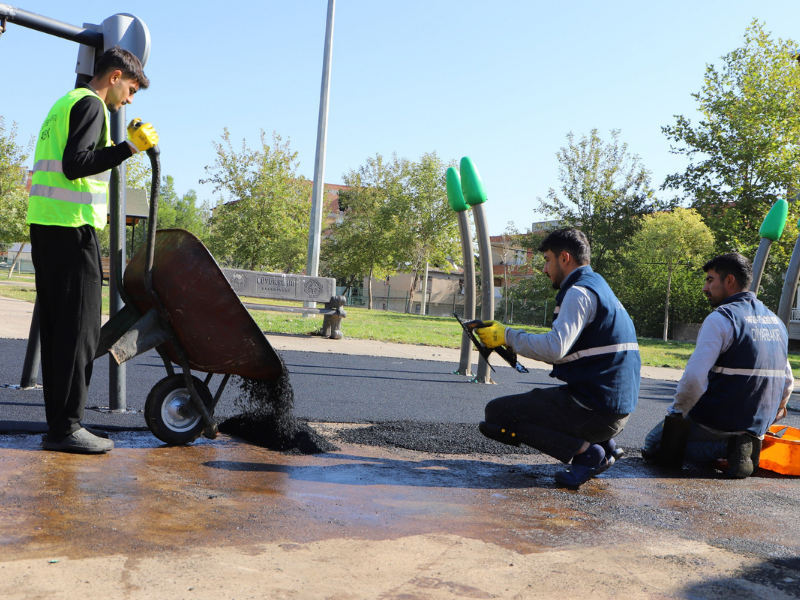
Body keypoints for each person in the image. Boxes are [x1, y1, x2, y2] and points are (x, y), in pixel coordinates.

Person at [27, 46, 159, 454]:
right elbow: (76, 164)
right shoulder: (91, 106)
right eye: (132, 89)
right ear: (115, 75)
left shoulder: (63, 103)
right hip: (71, 233)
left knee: (57, 329)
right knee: (79, 332)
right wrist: (128, 149)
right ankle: (67, 427)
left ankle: (59, 427)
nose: (130, 100)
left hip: (48, 228)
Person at [475, 228, 641, 487]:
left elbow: (555, 348)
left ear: (565, 258)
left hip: (596, 411)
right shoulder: (600, 286)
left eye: (547, 260)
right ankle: (605, 445)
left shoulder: (578, 292)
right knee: (545, 399)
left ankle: (589, 453)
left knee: (497, 413)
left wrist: (506, 335)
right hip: (616, 408)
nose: (544, 269)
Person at [642, 253, 793, 478]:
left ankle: (730, 448)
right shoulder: (776, 322)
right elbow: (787, 381)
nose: (705, 287)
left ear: (729, 281)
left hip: (719, 420)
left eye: (710, 280)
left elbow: (694, 378)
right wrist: (777, 409)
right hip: (757, 422)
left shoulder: (721, 318)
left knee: (653, 446)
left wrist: (677, 413)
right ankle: (744, 444)